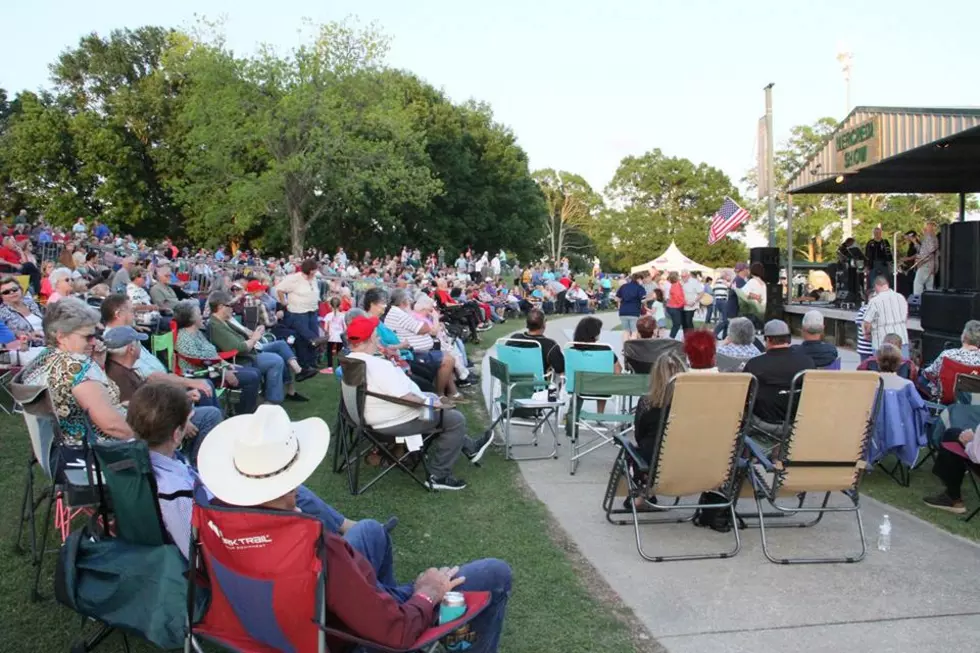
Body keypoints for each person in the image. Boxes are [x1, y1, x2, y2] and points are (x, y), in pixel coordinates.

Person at [184, 396, 512, 652]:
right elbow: (394, 632)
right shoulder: (315, 546)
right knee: (496, 573)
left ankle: (382, 600)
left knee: (370, 530)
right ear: (294, 479)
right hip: (338, 636)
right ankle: (395, 620)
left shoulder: (213, 521)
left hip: (268, 624)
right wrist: (426, 594)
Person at [127, 384, 367, 556]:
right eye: (188, 421)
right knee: (278, 487)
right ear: (177, 433)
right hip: (225, 532)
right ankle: (339, 540)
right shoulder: (173, 491)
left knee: (278, 483)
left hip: (211, 506)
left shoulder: (134, 457)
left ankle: (342, 527)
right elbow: (196, 551)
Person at [346, 315, 492, 491]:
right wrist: (428, 403)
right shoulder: (377, 366)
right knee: (454, 419)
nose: (378, 337)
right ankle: (439, 475)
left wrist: (428, 398)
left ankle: (470, 447)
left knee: (434, 398)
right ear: (370, 338)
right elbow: (405, 397)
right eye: (376, 334)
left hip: (372, 417)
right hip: (392, 422)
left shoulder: (351, 360)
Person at [21, 298, 133, 481]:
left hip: (60, 454)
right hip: (90, 458)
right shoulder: (75, 367)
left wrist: (98, 364)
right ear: (61, 336)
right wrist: (155, 435)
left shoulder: (44, 359)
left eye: (95, 335)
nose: (94, 342)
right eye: (86, 336)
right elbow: (114, 426)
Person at [103, 327, 221, 464]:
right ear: (131, 349)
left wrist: (184, 397)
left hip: (157, 416)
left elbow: (150, 399)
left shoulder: (121, 369)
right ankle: (200, 465)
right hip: (155, 426)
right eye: (138, 343)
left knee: (204, 399)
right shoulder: (119, 376)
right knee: (211, 415)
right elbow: (143, 411)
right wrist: (181, 418)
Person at [208, 290, 311, 402]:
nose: (233, 308)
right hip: (241, 359)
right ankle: (273, 400)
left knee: (279, 351)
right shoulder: (216, 325)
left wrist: (254, 335)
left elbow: (242, 338)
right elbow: (238, 348)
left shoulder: (223, 321)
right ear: (220, 307)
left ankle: (279, 392)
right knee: (276, 360)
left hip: (249, 352)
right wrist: (255, 338)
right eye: (230, 305)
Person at [173, 300, 262, 414]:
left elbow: (211, 356)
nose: (203, 317)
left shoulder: (197, 333)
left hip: (213, 369)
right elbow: (201, 362)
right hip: (201, 374)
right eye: (199, 314)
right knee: (252, 377)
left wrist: (227, 364)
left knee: (255, 372)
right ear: (192, 319)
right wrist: (224, 371)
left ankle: (246, 410)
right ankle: (243, 414)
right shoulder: (185, 339)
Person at [630, 351, 688, 509]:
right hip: (688, 462)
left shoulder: (647, 403)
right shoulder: (692, 406)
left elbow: (639, 435)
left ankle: (643, 496)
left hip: (655, 462)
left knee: (635, 451)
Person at [383, 288, 460, 402]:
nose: (411, 303)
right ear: (404, 302)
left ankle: (452, 393)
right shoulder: (400, 314)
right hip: (412, 353)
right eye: (409, 301)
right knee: (448, 360)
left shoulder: (399, 313)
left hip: (416, 350)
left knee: (447, 357)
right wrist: (429, 319)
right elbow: (425, 328)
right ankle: (439, 395)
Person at [742, 319, 815, 435]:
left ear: (767, 339)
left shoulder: (754, 364)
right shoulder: (807, 362)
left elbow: (743, 395)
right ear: (789, 339)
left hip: (764, 422)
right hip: (797, 422)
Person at [276, 258, 322, 373]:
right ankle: (304, 363)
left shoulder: (314, 279)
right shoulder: (294, 279)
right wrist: (284, 302)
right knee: (305, 338)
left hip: (312, 311)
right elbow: (280, 289)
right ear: (308, 270)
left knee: (314, 337)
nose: (315, 272)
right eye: (313, 270)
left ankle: (312, 361)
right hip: (298, 312)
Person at [920, 320, 980, 397]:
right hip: (974, 401)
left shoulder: (947, 355)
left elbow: (928, 373)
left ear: (963, 336)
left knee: (921, 379)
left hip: (947, 397)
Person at [509, 308, 564, 375]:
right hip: (539, 384)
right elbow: (560, 369)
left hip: (513, 383)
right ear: (543, 324)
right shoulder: (550, 345)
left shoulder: (514, 338)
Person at [863, 276, 909, 355]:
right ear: (887, 284)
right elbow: (906, 316)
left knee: (882, 366)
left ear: (876, 286)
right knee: (902, 365)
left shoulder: (875, 300)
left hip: (881, 342)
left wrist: (866, 333)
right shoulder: (901, 297)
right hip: (901, 339)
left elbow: (867, 322)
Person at [615, 272, 646, 338]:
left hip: (623, 311)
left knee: (626, 331)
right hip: (634, 312)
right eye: (641, 279)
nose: (642, 281)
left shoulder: (623, 286)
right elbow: (643, 300)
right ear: (638, 279)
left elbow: (616, 299)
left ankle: (625, 346)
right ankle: (631, 347)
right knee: (634, 331)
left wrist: (625, 299)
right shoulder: (640, 288)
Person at [913, 221, 939, 296]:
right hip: (931, 265)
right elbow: (923, 250)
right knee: (929, 287)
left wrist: (921, 261)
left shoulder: (929, 237)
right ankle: (930, 304)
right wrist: (915, 242)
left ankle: (918, 303)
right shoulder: (932, 237)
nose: (924, 229)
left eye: (927, 227)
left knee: (918, 283)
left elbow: (930, 252)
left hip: (926, 264)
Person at [322, 295, 346, 374]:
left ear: (330, 305)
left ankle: (330, 368)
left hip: (331, 337)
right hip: (340, 337)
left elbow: (325, 329)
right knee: (340, 352)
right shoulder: (343, 315)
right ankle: (339, 367)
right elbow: (345, 327)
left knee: (329, 352)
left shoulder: (328, 316)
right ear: (340, 305)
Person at [665, 272, 685, 339]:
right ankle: (671, 338)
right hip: (675, 307)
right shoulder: (676, 286)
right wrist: (685, 303)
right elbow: (678, 297)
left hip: (672, 307)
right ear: (676, 278)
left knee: (678, 323)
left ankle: (672, 338)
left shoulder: (675, 285)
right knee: (677, 324)